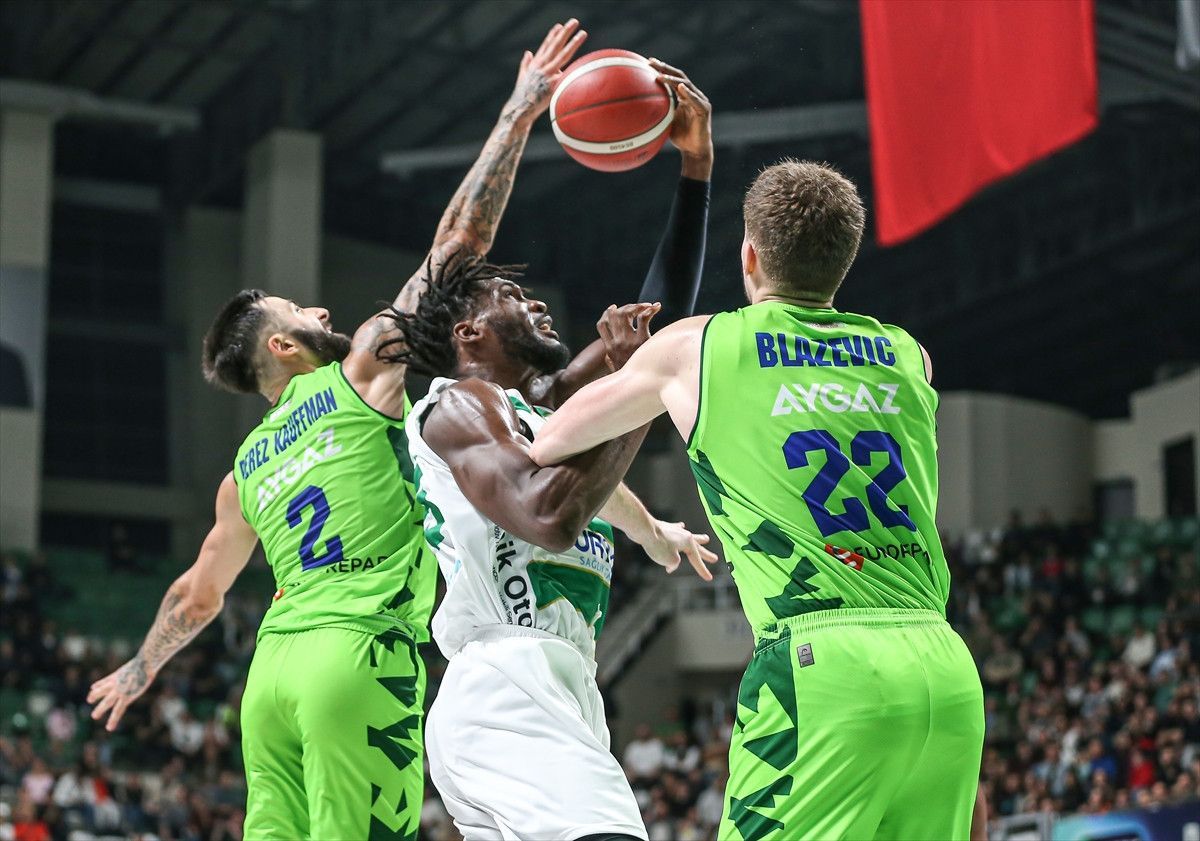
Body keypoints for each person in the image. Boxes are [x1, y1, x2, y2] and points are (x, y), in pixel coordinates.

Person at [86, 19, 587, 839]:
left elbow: (197, 594)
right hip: (356, 654)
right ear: (282, 348)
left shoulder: (245, 469)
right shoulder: (361, 375)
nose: (321, 309)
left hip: (272, 678)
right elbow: (458, 246)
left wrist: (140, 669)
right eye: (300, 311)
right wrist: (517, 113)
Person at [529, 159, 986, 839]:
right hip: (944, 666)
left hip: (824, 667)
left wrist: (630, 367)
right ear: (843, 260)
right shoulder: (907, 354)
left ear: (749, 255)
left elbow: (547, 441)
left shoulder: (698, 346)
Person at [394, 60, 717, 840]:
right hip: (507, 683)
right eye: (510, 296)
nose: (534, 300)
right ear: (470, 333)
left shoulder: (538, 413)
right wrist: (640, 390)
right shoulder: (457, 405)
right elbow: (546, 515)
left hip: (562, 685)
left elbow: (659, 326)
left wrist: (695, 165)